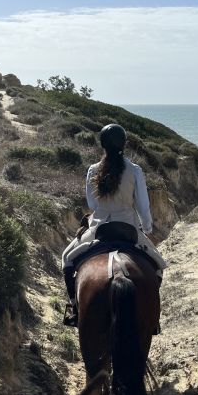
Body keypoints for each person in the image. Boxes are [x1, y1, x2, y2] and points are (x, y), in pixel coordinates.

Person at [61, 123, 166, 326]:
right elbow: (143, 206)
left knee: (67, 259)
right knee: (159, 267)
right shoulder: (135, 170)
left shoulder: (93, 170)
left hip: (99, 227)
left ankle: (74, 307)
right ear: (124, 144)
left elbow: (92, 204)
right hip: (129, 227)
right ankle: (152, 317)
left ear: (102, 145)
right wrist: (147, 229)